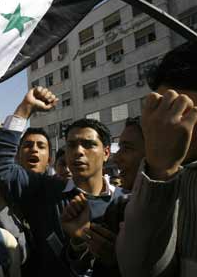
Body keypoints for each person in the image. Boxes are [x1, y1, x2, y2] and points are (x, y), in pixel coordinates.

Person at [0, 87, 123, 277]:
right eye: (72, 145)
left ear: (106, 153)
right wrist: (25, 109)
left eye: (88, 144)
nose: (79, 151)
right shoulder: (44, 189)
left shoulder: (125, 203)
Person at [116, 33, 197, 277]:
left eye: (174, 106)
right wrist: (160, 171)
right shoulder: (171, 189)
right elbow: (138, 270)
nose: (158, 123)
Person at [60, 116, 146, 276]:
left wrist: (122, 260)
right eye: (71, 145)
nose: (118, 157)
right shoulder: (122, 206)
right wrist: (79, 243)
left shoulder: (186, 203)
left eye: (127, 148)